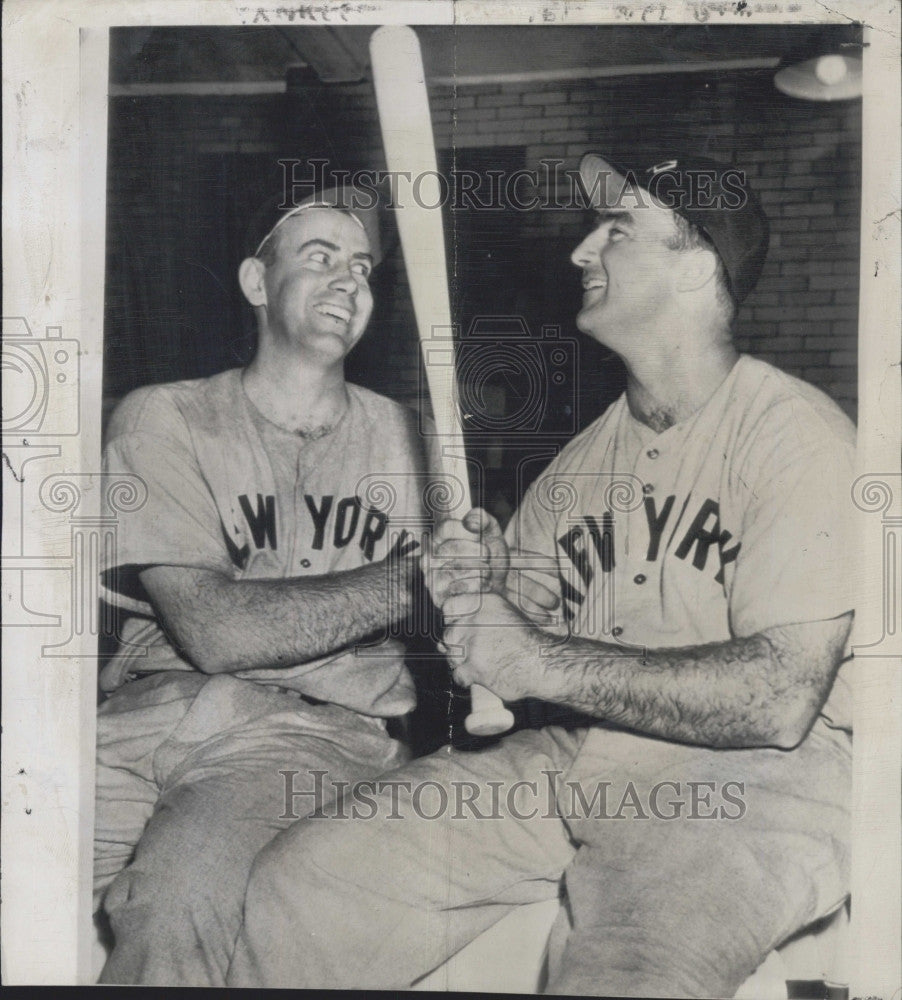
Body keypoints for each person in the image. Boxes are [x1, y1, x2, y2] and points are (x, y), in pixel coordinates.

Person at [227, 152, 855, 997]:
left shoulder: (797, 436)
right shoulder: (577, 467)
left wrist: (536, 660)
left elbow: (779, 702)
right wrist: (475, 592)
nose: (581, 251)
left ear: (698, 267)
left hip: (754, 784)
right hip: (580, 755)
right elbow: (502, 653)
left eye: (618, 229)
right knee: (307, 882)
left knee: (629, 974)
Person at [94, 186, 433, 985]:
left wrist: (480, 575)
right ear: (256, 281)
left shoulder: (414, 440)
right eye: (319, 257)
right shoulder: (163, 417)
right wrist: (411, 582)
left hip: (309, 733)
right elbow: (216, 631)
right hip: (142, 719)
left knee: (178, 899)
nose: (348, 281)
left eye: (362, 268)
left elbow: (479, 614)